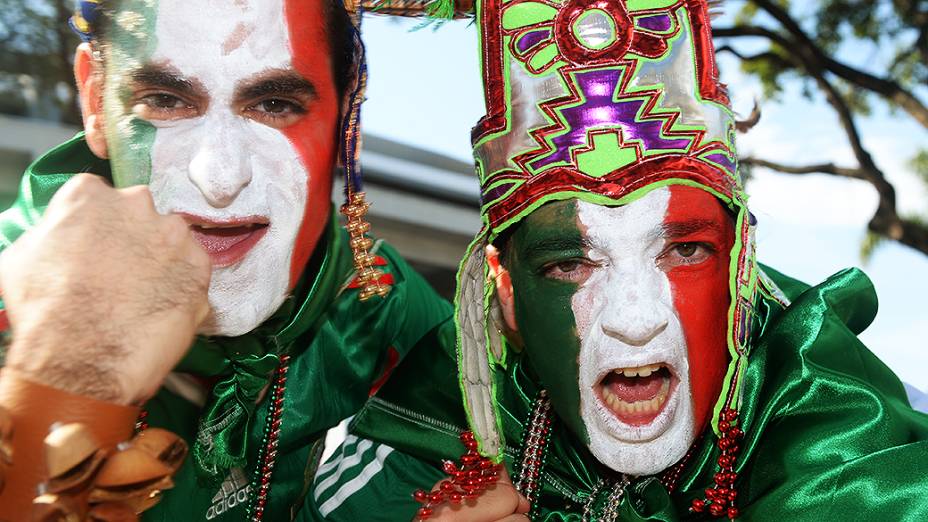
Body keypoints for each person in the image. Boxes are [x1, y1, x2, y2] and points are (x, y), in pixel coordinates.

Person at [309, 0, 928, 520]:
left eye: (683, 250)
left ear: (740, 270)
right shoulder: (459, 393)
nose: (635, 320)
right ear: (506, 294)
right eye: (570, 266)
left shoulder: (816, 391)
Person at [0, 0, 454, 519]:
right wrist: (73, 378)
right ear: (96, 99)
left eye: (275, 104)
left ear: (348, 112)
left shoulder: (365, 293)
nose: (219, 178)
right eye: (165, 99)